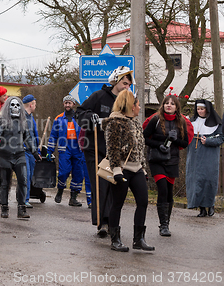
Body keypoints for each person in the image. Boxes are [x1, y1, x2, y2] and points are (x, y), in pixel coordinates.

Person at [75, 66, 134, 237]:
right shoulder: (98, 96)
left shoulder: (127, 101)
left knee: (113, 186)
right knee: (100, 185)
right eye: (124, 83)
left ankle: (112, 221)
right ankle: (103, 222)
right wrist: (90, 118)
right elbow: (80, 113)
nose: (126, 87)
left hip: (115, 151)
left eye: (129, 85)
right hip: (95, 149)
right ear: (115, 81)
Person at [102, 90, 154, 252]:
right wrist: (116, 169)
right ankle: (115, 239)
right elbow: (112, 148)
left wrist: (143, 169)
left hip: (137, 168)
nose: (139, 108)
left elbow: (139, 148)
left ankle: (138, 239)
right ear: (131, 106)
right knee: (117, 203)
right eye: (138, 105)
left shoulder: (136, 122)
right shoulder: (114, 122)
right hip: (122, 170)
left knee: (143, 202)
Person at [143, 94, 189, 237]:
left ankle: (166, 223)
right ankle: (162, 225)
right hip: (156, 159)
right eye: (166, 103)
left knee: (169, 192)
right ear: (162, 105)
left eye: (172, 104)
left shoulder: (181, 122)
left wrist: (175, 140)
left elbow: (185, 143)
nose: (169, 105)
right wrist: (159, 145)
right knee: (162, 189)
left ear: (177, 107)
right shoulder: (156, 119)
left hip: (172, 161)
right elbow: (145, 137)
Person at [0, 96, 40, 218]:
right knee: (5, 183)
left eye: (18, 105)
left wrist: (34, 153)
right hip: (5, 155)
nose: (15, 107)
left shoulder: (23, 122)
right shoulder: (2, 121)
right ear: (8, 107)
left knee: (23, 180)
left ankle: (21, 209)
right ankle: (4, 207)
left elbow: (28, 137)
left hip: (19, 154)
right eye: (13, 105)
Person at [47, 95, 87, 207]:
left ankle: (73, 198)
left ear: (73, 104)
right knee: (64, 172)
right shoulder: (58, 119)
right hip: (64, 148)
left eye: (69, 103)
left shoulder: (80, 117)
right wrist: (49, 151)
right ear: (63, 104)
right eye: (66, 103)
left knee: (79, 174)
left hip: (78, 149)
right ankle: (60, 190)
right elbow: (53, 136)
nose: (67, 105)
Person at [185, 99, 223, 217]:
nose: (200, 111)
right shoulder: (192, 122)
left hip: (209, 156)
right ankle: (201, 208)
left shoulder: (216, 124)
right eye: (198, 109)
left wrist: (209, 141)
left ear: (207, 109)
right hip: (194, 157)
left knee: (209, 180)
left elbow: (221, 139)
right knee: (196, 181)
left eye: (202, 109)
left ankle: (210, 205)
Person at [22, 94, 40, 208]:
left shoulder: (30, 116)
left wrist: (37, 151)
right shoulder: (22, 117)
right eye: (35, 104)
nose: (35, 106)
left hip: (31, 152)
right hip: (24, 151)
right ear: (30, 104)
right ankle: (24, 200)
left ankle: (25, 198)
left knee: (29, 175)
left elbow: (34, 134)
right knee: (25, 175)